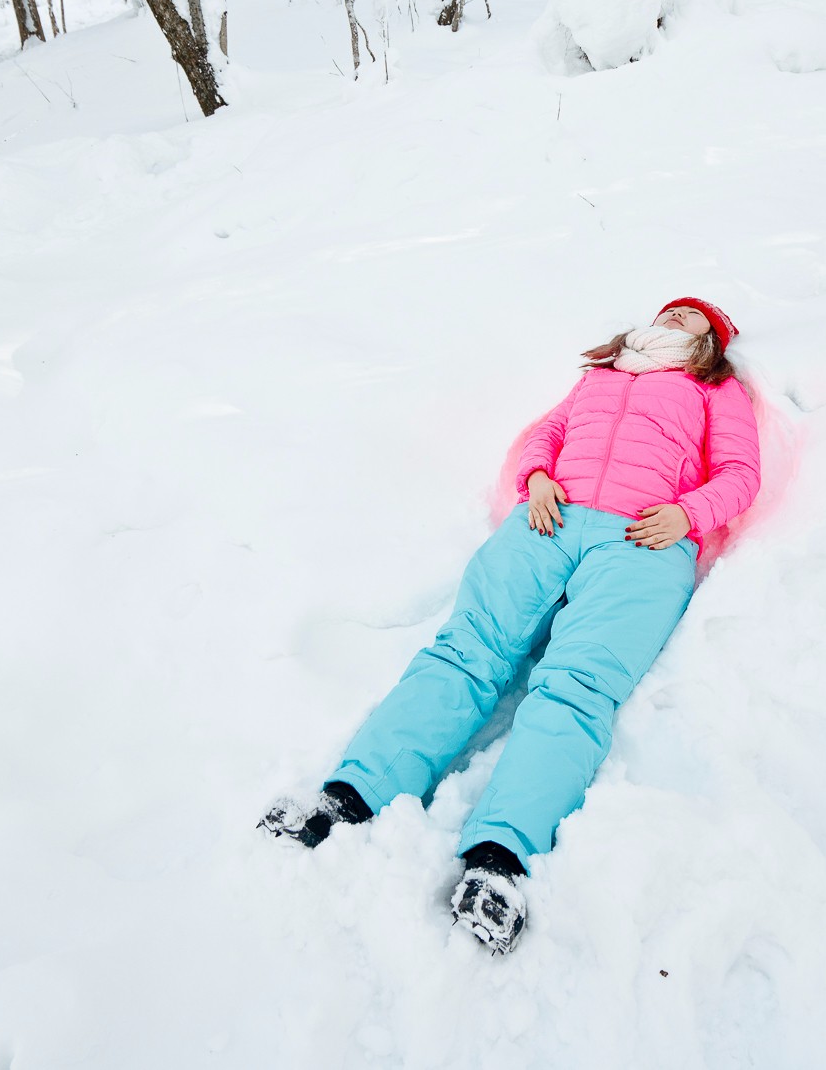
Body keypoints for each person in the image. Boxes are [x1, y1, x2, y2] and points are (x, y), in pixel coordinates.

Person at [260, 297, 763, 955]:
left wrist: (688, 515)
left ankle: (500, 857)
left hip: (642, 542)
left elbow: (740, 474)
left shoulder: (711, 390)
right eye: (671, 309)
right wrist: (537, 477)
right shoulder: (603, 373)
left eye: (694, 316)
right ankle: (348, 796)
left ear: (713, 340)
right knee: (464, 653)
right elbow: (544, 436)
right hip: (546, 522)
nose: (677, 317)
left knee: (578, 687)